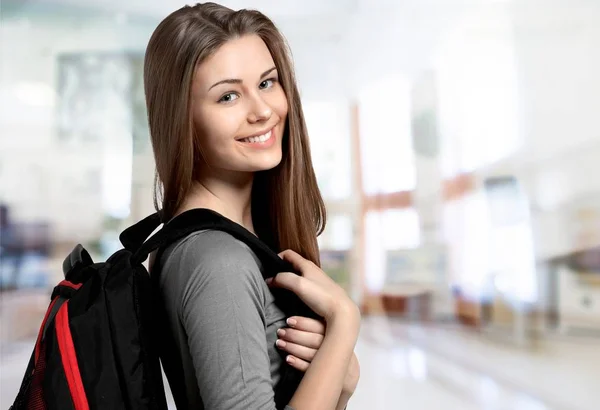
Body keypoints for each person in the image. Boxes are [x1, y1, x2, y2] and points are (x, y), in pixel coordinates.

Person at [143, 3, 361, 410]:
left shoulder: (239, 241)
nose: (262, 111)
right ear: (182, 120)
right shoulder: (217, 259)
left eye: (267, 83)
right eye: (228, 96)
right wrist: (344, 324)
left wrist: (340, 382)